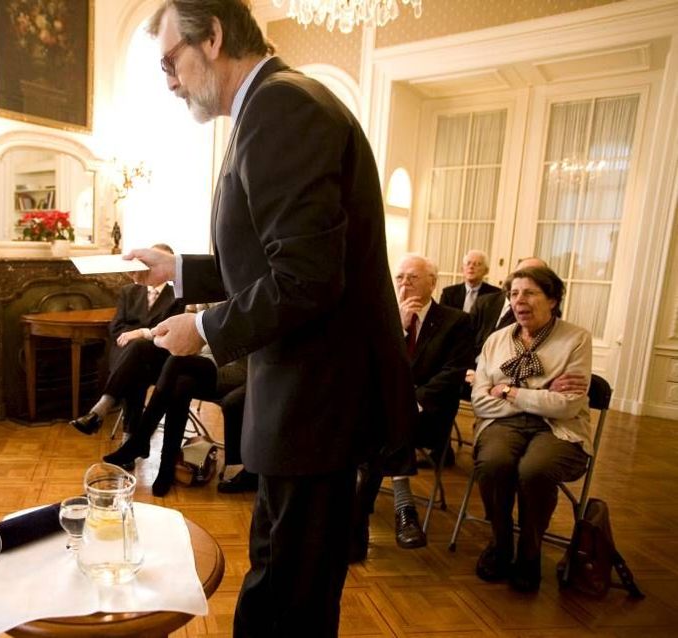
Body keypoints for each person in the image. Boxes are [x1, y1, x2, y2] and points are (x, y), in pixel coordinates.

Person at [128, 2, 416, 634]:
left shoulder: (285, 108)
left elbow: (306, 279)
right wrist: (178, 271)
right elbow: (270, 256)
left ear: (215, 38)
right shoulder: (271, 105)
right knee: (281, 580)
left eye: (171, 61)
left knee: (289, 601)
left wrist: (203, 329)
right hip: (301, 400)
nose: (168, 80)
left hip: (317, 403)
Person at [471, 265, 592, 592]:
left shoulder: (576, 339)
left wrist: (509, 391)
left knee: (534, 469)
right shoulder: (496, 340)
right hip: (503, 424)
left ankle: (530, 552)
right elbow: (480, 401)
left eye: (530, 293)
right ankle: (500, 543)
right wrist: (543, 393)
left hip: (558, 429)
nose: (519, 300)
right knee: (495, 463)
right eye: (513, 294)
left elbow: (567, 406)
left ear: (552, 299)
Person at [355, 255, 473, 556]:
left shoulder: (455, 322)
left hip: (428, 416)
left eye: (413, 277)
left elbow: (453, 374)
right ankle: (403, 512)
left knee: (384, 426)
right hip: (385, 417)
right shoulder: (385, 319)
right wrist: (401, 329)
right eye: (400, 277)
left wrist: (410, 403)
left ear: (433, 283)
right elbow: (372, 370)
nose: (404, 283)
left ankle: (355, 522)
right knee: (384, 424)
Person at [69, 243, 186, 435]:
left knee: (138, 353)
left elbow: (170, 331)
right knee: (135, 363)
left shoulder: (177, 296)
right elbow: (115, 327)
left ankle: (101, 409)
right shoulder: (128, 291)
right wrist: (132, 336)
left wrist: (140, 332)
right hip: (127, 355)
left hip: (158, 357)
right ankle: (129, 440)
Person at [103, 353, 247, 496]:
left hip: (232, 368)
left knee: (177, 360)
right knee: (182, 384)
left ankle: (140, 440)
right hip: (203, 364)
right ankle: (167, 466)